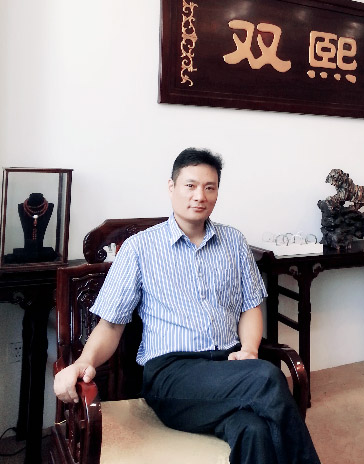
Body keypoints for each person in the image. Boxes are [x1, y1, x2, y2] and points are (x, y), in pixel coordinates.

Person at [54, 147, 321, 464]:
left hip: (228, 367)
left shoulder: (234, 242)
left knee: (253, 430)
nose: (200, 196)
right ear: (172, 187)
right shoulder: (140, 248)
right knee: (267, 377)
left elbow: (250, 305)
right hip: (171, 375)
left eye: (210, 187)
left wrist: (250, 350)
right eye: (190, 185)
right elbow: (111, 324)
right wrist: (84, 361)